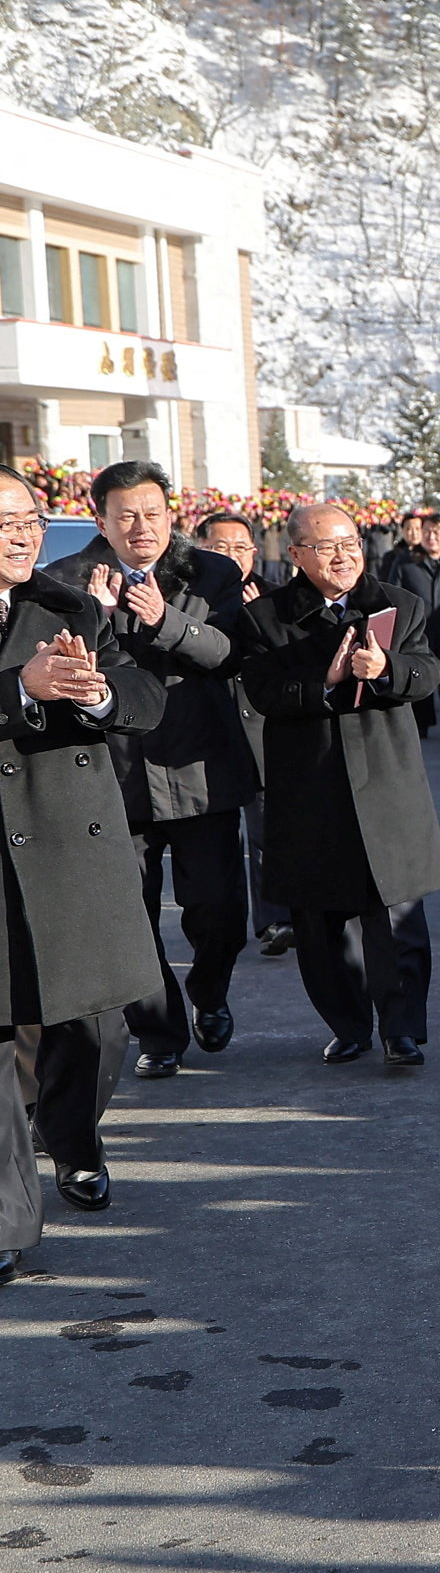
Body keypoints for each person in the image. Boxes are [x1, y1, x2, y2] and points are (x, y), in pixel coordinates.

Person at [0, 464, 164, 1269]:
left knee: (97, 1024)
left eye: (28, 518)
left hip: (74, 843)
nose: (23, 534)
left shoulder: (67, 603)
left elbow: (145, 694)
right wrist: (18, 692)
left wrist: (96, 695)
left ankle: (72, 1139)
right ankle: (6, 1225)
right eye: (4, 523)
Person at [51, 460, 258, 1081]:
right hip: (117, 774)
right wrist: (102, 614)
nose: (141, 527)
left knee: (218, 910)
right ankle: (159, 1031)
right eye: (126, 516)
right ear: (101, 521)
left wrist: (165, 619)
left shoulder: (211, 570)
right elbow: (72, 667)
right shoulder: (66, 581)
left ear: (172, 514)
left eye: (153, 513)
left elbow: (227, 655)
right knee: (132, 917)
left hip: (201, 765)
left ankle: (211, 992)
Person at [237, 502, 440, 1066]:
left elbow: (427, 672)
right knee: (321, 921)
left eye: (350, 543)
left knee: (397, 915)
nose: (343, 555)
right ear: (297, 554)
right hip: (310, 786)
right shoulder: (265, 618)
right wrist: (321, 683)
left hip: (386, 781)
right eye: (327, 547)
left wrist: (387, 671)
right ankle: (349, 1024)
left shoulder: (398, 604)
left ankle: (401, 1029)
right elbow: (261, 692)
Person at [194, 511, 292, 949]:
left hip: (262, 726)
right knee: (215, 842)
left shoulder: (276, 599)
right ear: (199, 549)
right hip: (208, 728)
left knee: (269, 827)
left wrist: (257, 617)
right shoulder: (187, 597)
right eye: (220, 548)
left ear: (255, 552)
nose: (232, 556)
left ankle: (275, 920)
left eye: (240, 548)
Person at [386, 511, 440, 742]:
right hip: (417, 633)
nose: (431, 536)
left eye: (437, 531)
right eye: (427, 532)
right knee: (418, 679)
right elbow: (393, 595)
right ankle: (420, 727)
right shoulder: (406, 562)